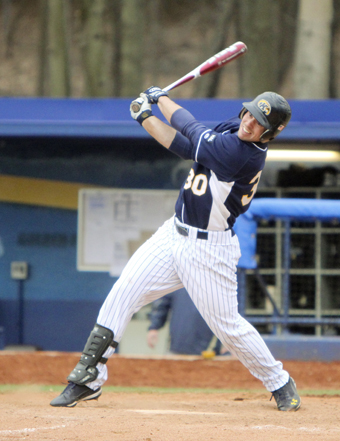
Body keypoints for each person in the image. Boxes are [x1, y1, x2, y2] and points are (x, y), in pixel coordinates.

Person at [50, 88, 301, 412]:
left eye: (259, 122)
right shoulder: (234, 129)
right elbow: (187, 135)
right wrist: (152, 107)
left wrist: (153, 107)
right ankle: (87, 378)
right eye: (249, 113)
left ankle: (279, 381)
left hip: (209, 250)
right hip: (173, 233)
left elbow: (189, 136)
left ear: (271, 133)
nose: (249, 122)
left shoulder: (243, 154)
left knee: (228, 327)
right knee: (123, 292)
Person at [146, 290, 224, 356]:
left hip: (210, 349)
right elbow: (162, 304)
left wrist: (232, 341)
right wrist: (154, 327)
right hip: (178, 344)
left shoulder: (219, 279)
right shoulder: (178, 276)